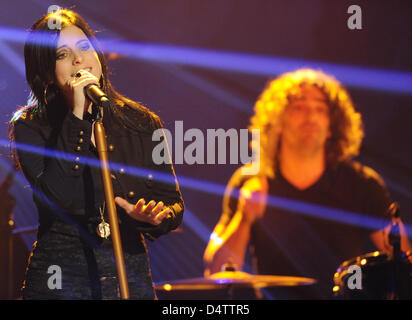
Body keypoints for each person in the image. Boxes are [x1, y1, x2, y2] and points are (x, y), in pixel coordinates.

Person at [9, 9, 184, 300]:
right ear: (47, 73)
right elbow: (60, 195)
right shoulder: (31, 127)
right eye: (62, 55)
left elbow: (173, 202)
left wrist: (155, 217)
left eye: (84, 48)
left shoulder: (141, 122)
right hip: (61, 280)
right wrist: (78, 116)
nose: (79, 59)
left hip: (129, 276)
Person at [203, 69, 410, 299]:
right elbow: (216, 269)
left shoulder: (362, 184)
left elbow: (403, 267)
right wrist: (244, 217)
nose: (310, 116)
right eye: (299, 107)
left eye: (320, 109)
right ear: (278, 120)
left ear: (332, 125)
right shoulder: (249, 181)